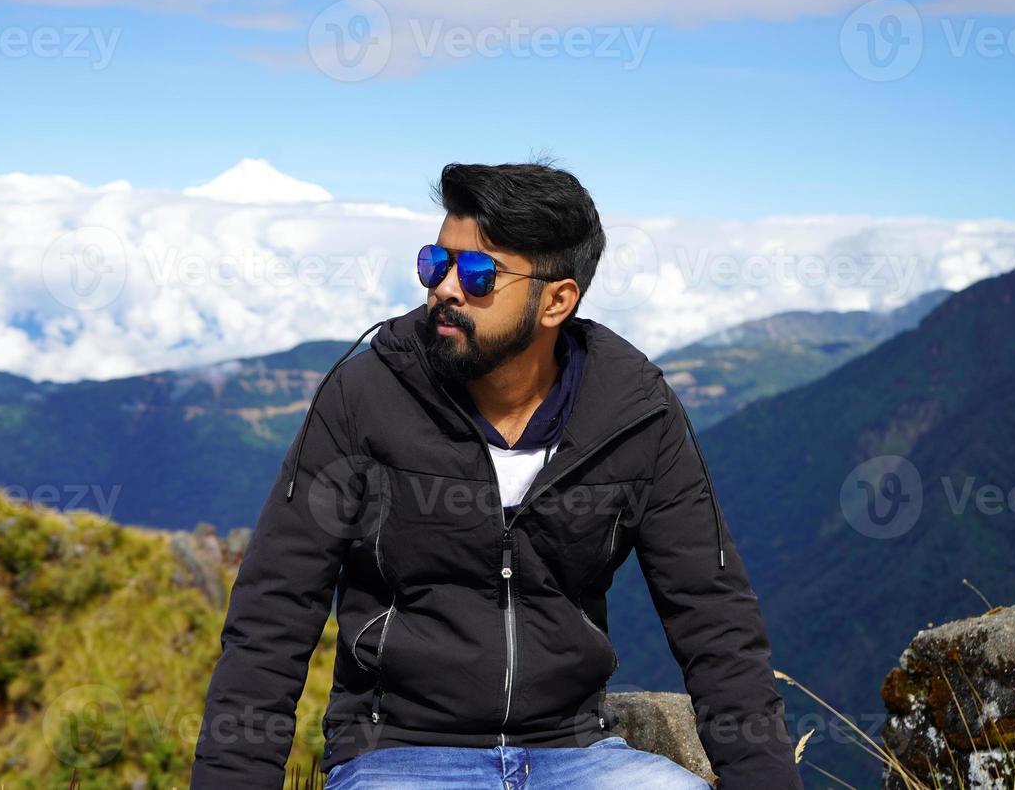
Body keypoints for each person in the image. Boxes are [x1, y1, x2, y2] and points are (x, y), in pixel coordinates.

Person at [191, 160, 803, 789]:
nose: (447, 289)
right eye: (437, 262)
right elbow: (274, 612)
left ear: (557, 301)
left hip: (578, 754)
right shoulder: (362, 397)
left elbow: (712, 615)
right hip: (399, 755)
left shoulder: (634, 414)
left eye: (479, 273)